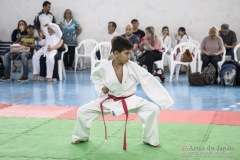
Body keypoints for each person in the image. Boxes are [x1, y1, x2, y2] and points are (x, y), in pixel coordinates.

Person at [72, 36, 174, 150]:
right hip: (110, 99)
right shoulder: (104, 66)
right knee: (83, 111)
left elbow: (149, 81)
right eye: (126, 53)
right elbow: (95, 76)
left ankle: (150, 139)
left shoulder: (133, 67)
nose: (129, 57)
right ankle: (81, 136)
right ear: (116, 53)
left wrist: (164, 101)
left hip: (130, 100)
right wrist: (101, 88)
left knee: (152, 109)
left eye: (129, 53)